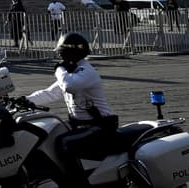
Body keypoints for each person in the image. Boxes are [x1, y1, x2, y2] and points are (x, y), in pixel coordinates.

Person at [16, 32, 117, 187]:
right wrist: (23, 100)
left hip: (99, 126)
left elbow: (68, 86)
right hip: (79, 124)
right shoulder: (72, 72)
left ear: (73, 52)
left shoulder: (86, 72)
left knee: (64, 143)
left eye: (62, 52)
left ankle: (77, 184)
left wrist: (60, 69)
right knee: (44, 137)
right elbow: (50, 93)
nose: (60, 56)